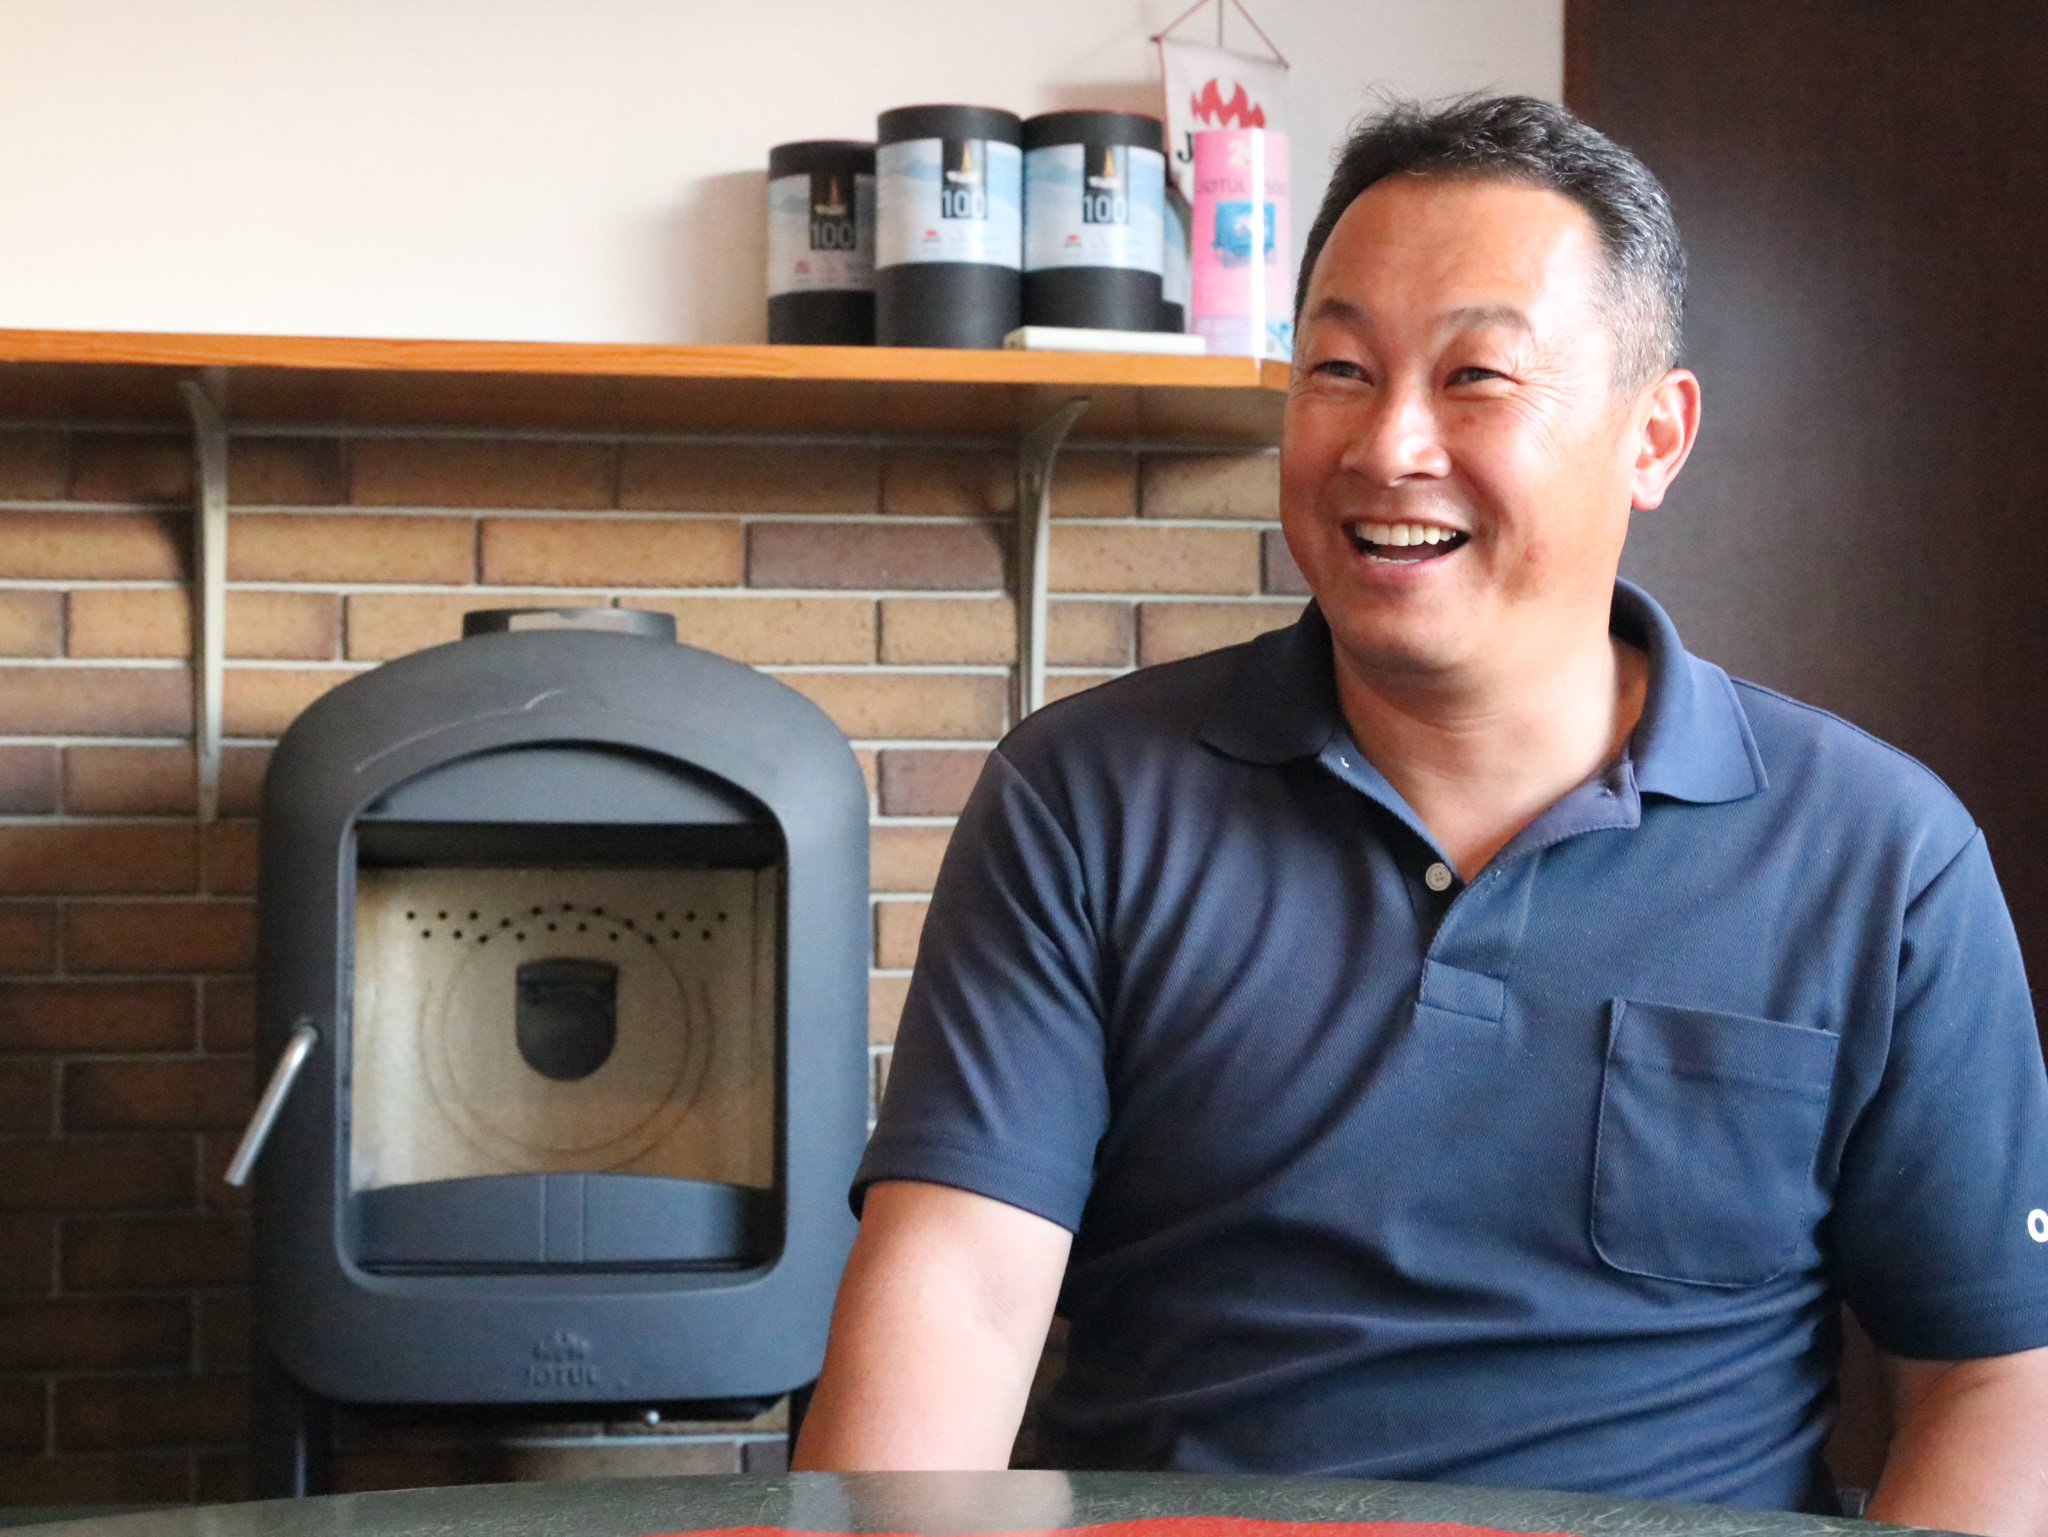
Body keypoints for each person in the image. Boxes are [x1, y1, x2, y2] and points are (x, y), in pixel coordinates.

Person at [792, 96, 2048, 1534]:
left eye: (1477, 377)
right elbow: (957, 1291)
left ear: (1654, 435)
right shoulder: (1085, 799)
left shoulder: (1879, 853)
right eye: (1338, 368)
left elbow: (2001, 1376)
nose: (1389, 443)